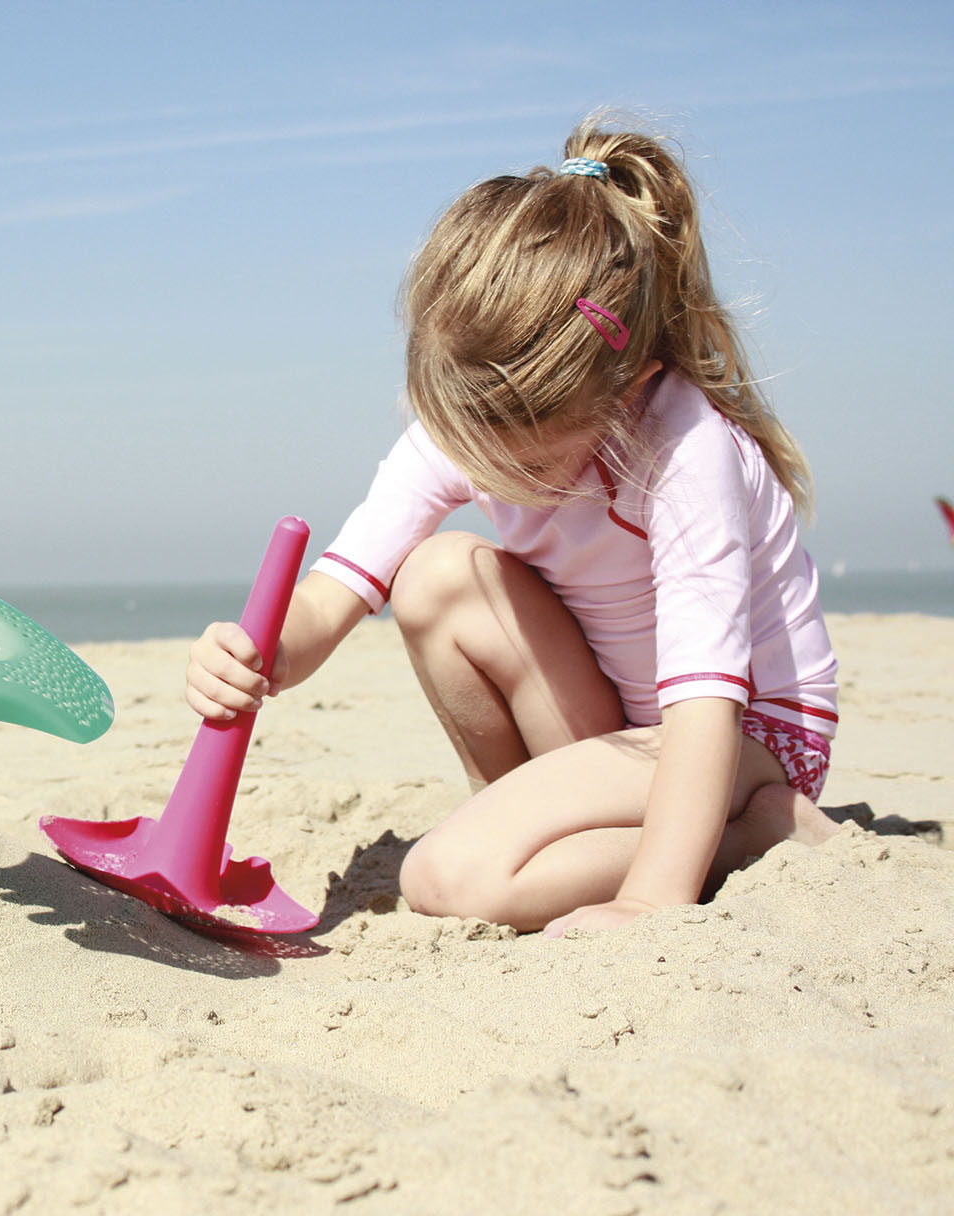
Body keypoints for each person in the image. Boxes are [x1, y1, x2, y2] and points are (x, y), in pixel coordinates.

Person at [186, 115, 841, 936]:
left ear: (626, 389)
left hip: (744, 741)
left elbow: (706, 701)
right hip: (624, 723)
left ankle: (750, 835)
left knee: (445, 876)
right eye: (465, 441)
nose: (484, 470)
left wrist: (651, 899)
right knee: (432, 577)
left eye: (521, 461)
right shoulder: (474, 418)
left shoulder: (683, 452)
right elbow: (339, 589)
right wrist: (261, 654)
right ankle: (526, 832)